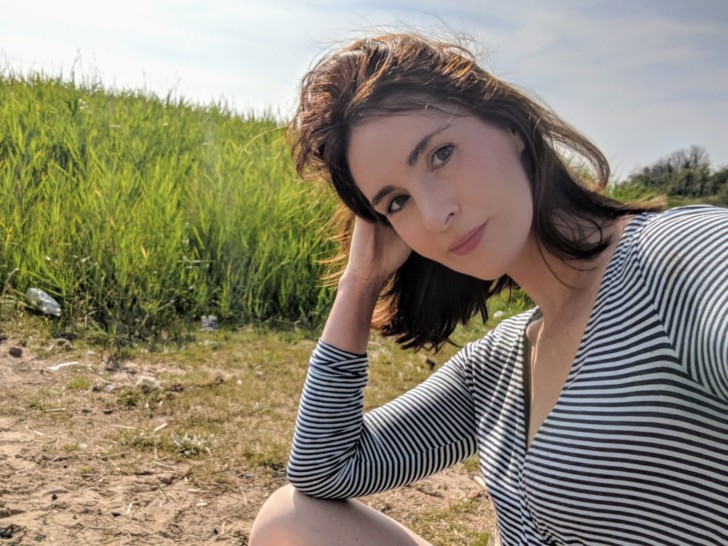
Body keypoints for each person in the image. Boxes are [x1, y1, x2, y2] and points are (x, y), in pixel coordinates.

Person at [250, 32, 728, 545]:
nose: (436, 215)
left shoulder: (677, 258)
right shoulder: (498, 364)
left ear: (508, 126)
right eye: (397, 202)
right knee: (291, 520)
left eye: (441, 154)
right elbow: (326, 469)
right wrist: (361, 281)